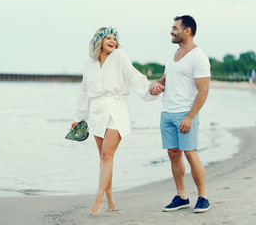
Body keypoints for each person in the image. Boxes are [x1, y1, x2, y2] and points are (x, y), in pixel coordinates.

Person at [71, 27, 163, 215]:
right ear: (99, 42)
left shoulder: (120, 56)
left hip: (117, 109)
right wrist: (79, 117)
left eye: (114, 38)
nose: (112, 41)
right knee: (105, 158)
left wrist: (149, 90)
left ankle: (98, 199)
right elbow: (84, 91)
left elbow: (133, 75)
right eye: (108, 38)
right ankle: (111, 199)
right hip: (97, 112)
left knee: (106, 155)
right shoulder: (89, 64)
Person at [150, 15, 211, 213]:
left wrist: (190, 116)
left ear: (188, 31)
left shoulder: (198, 57)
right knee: (173, 154)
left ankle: (203, 198)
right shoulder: (173, 54)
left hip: (185, 113)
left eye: (175, 28)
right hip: (167, 111)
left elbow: (203, 91)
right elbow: (165, 79)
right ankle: (182, 197)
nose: (171, 31)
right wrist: (157, 85)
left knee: (191, 154)